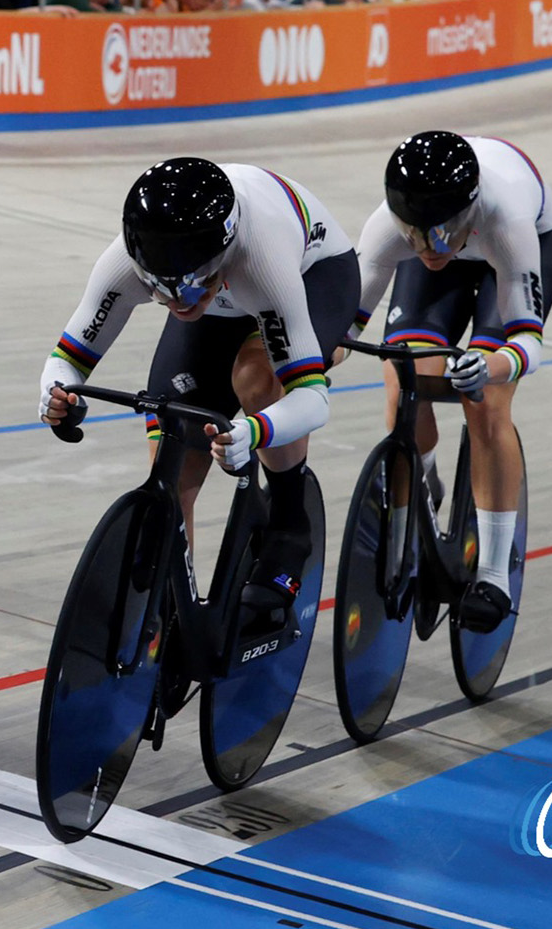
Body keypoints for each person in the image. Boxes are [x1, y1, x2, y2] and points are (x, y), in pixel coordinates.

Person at [40, 158, 360, 630]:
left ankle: (290, 527)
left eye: (197, 284)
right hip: (227, 299)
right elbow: (67, 357)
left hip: (313, 276)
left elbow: (312, 400)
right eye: (162, 292)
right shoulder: (131, 263)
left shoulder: (262, 257)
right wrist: (56, 395)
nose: (181, 303)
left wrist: (254, 431)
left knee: (255, 378)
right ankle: (177, 611)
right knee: (172, 442)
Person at [352, 132, 552, 631]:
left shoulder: (507, 218)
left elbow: (528, 346)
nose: (430, 249)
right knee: (404, 373)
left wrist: (488, 366)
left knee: (486, 402)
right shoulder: (392, 229)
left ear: (468, 209)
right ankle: (422, 479)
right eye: (416, 236)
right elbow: (345, 326)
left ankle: (493, 574)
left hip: (507, 257)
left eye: (440, 234)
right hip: (461, 246)